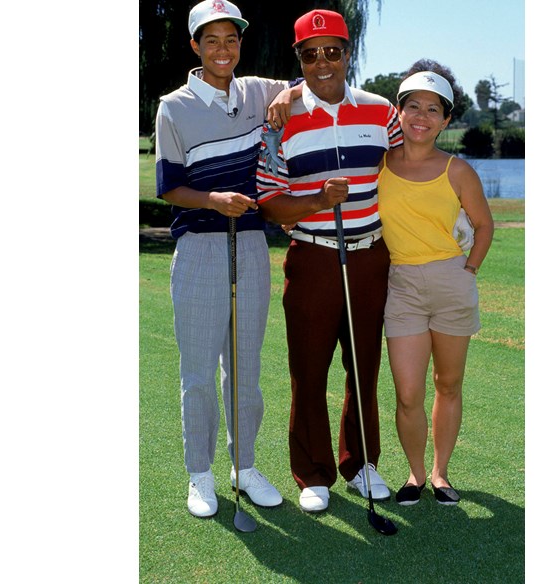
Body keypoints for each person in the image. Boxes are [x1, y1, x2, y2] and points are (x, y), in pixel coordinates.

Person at [153, 0, 299, 519]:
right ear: (195, 46)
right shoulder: (173, 105)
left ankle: (246, 465)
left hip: (253, 243)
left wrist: (287, 99)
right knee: (197, 372)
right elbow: (170, 186)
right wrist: (213, 201)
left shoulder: (259, 90)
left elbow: (309, 84)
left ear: (240, 44)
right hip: (199, 247)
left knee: (245, 369)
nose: (223, 49)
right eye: (211, 40)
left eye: (231, 40)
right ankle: (200, 473)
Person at [256, 9, 403, 513]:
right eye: (310, 54)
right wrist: (317, 202)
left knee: (363, 367)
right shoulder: (280, 120)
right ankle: (313, 473)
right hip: (312, 258)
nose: (323, 63)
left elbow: (409, 174)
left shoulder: (382, 112)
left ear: (348, 53)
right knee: (309, 369)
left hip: (369, 258)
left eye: (333, 51)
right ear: (298, 59)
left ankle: (360, 464)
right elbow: (270, 200)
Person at [377, 63, 494, 506]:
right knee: (408, 393)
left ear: (446, 121)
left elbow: (483, 227)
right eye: (413, 107)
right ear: (400, 112)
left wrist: (467, 272)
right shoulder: (380, 165)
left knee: (448, 383)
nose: (421, 116)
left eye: (433, 109)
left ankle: (441, 475)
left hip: (451, 281)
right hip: (402, 285)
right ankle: (415, 473)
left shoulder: (458, 170)